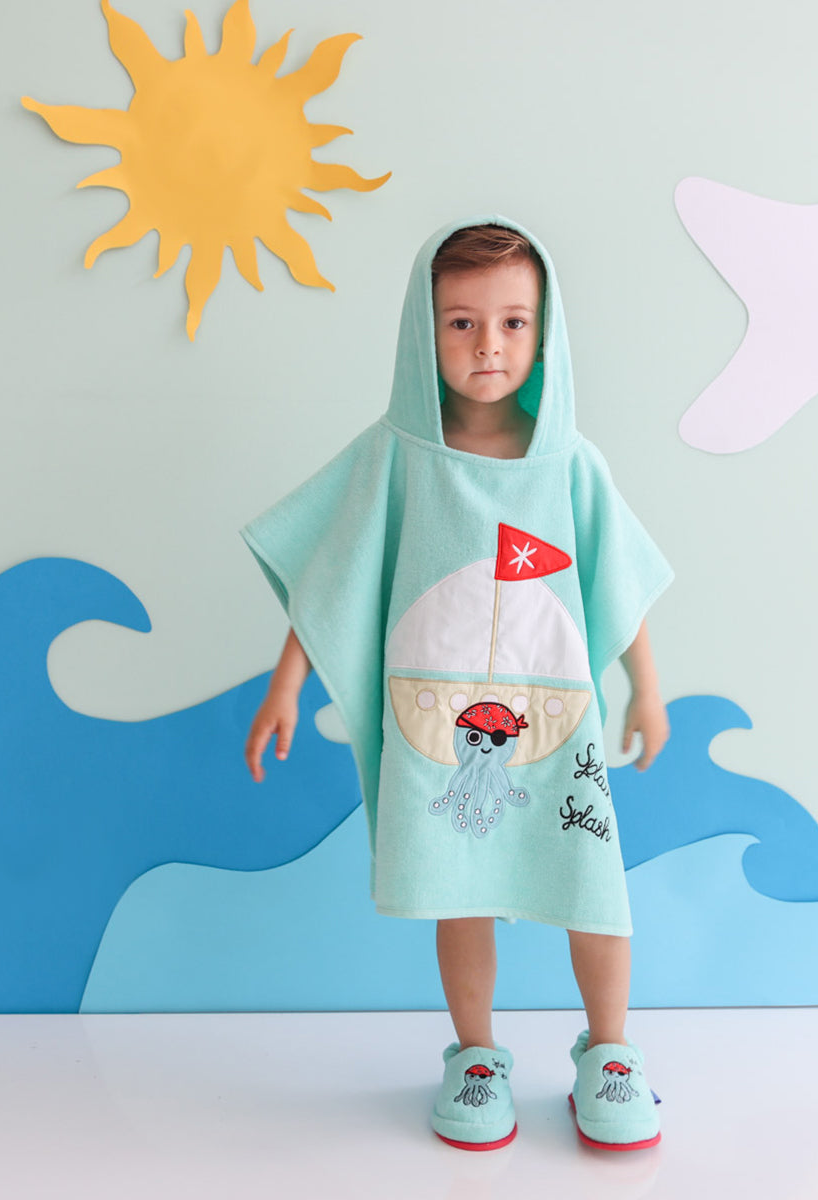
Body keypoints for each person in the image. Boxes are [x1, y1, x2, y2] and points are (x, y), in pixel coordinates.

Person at [241, 217, 673, 1152]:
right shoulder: (396, 456)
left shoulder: (571, 463)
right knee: (459, 882)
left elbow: (618, 580)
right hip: (440, 729)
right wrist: (286, 685)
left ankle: (610, 1050)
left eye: (514, 323)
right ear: (423, 331)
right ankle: (476, 1057)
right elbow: (334, 574)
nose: (488, 346)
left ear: (544, 333)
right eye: (461, 323)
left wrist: (647, 688)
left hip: (555, 720)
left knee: (591, 881)